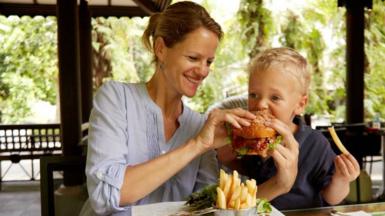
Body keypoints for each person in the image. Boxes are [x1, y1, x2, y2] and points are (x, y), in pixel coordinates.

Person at [79, 2, 257, 215]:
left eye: (209, 61)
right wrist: (196, 145)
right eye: (193, 58)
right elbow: (105, 196)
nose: (202, 71)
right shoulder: (116, 98)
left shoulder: (199, 124)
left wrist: (278, 182)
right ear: (161, 49)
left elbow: (208, 204)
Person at [216, 47, 360, 210]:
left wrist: (341, 179)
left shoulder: (316, 144)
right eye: (253, 95)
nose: (261, 104)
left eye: (275, 97)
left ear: (300, 104)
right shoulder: (252, 136)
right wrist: (228, 153)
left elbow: (331, 198)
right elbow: (241, 168)